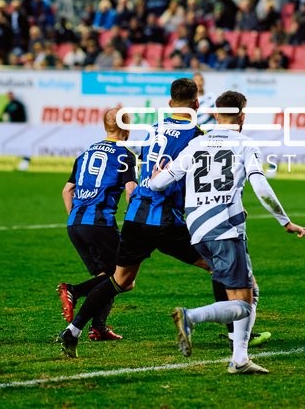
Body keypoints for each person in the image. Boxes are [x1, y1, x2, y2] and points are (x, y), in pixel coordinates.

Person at [150, 91, 305, 375]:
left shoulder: (196, 143)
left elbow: (160, 183)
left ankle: (240, 359)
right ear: (242, 116)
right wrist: (285, 221)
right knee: (244, 305)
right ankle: (191, 317)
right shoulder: (244, 144)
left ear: (215, 114)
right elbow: (261, 186)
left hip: (196, 230)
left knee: (251, 291)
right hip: (224, 228)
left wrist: (154, 179)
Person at [57, 78, 211, 358]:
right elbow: (195, 180)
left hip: (136, 217)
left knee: (118, 280)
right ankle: (237, 334)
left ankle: (73, 330)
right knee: (219, 266)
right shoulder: (197, 135)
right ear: (197, 103)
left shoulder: (153, 130)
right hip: (166, 220)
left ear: (169, 103)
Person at [57, 109, 137, 341]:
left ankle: (98, 327)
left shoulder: (85, 154)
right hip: (100, 223)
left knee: (107, 275)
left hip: (75, 224)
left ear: (105, 127)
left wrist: (76, 217)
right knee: (125, 280)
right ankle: (74, 290)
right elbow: (131, 191)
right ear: (127, 128)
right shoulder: (125, 155)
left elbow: (67, 191)